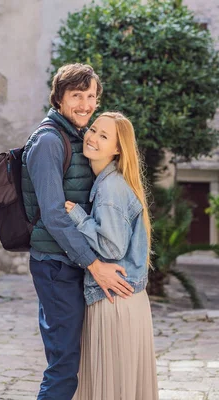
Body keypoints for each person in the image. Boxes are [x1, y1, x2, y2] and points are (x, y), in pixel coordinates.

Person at [21, 64, 135, 400]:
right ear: (59, 98)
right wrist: (94, 265)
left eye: (90, 96)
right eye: (76, 96)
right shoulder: (48, 142)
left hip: (71, 262)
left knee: (74, 359)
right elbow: (54, 216)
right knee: (63, 364)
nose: (85, 104)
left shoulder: (76, 136)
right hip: (57, 265)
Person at [66, 112, 159, 400]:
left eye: (104, 136)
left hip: (114, 301)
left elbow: (112, 248)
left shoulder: (110, 188)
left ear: (118, 149)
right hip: (122, 299)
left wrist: (78, 217)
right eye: (93, 129)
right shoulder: (111, 183)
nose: (92, 137)